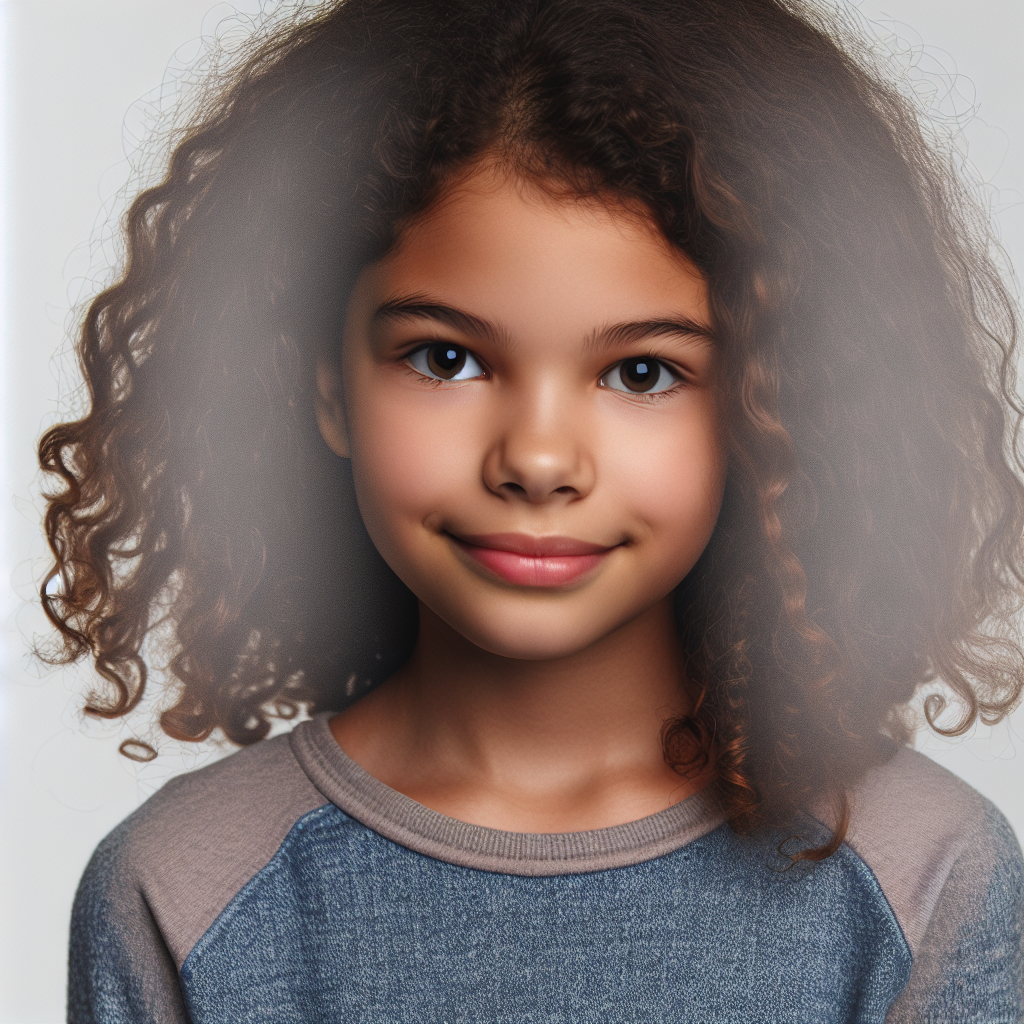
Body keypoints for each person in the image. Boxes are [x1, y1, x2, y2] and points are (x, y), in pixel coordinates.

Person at [43, 0, 1024, 1020]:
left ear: (775, 406)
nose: (538, 459)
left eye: (642, 372)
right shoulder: (183, 891)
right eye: (446, 357)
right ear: (324, 387)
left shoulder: (922, 876)